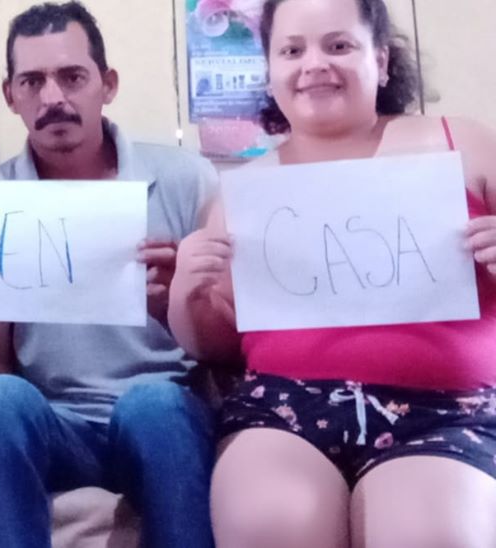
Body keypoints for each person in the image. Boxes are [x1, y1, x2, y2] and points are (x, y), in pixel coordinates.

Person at [167, 0, 496, 546]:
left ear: (381, 61)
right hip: (284, 409)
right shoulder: (241, 194)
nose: (314, 64)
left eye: (338, 45)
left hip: (444, 409)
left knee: (431, 535)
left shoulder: (465, 145)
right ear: (270, 71)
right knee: (271, 525)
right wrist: (187, 292)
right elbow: (216, 346)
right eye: (292, 50)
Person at [0, 2, 217, 546]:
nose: (52, 99)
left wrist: (175, 310)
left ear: (107, 84)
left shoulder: (186, 180)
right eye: (33, 82)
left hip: (162, 416)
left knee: (153, 404)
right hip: (52, 422)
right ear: (11, 96)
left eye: (72, 77)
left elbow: (229, 351)